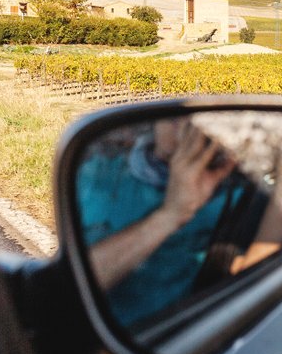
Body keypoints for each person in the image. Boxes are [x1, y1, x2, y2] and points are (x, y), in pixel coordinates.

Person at [77, 118, 238, 327]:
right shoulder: (96, 174)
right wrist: (171, 215)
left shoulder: (236, 198)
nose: (186, 120)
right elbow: (72, 286)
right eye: (176, 112)